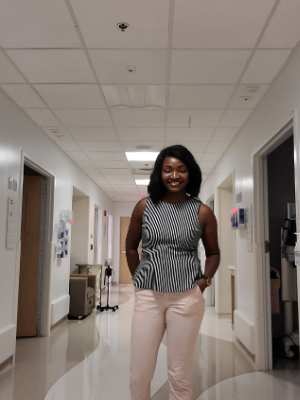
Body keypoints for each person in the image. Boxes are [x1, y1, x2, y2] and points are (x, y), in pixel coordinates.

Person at [126, 145, 220, 400]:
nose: (174, 175)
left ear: (191, 174)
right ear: (159, 174)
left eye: (181, 169)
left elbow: (214, 253)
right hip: (149, 297)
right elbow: (131, 248)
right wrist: (139, 280)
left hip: (187, 297)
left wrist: (203, 282)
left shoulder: (202, 212)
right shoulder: (144, 207)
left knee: (180, 375)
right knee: (139, 373)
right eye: (168, 170)